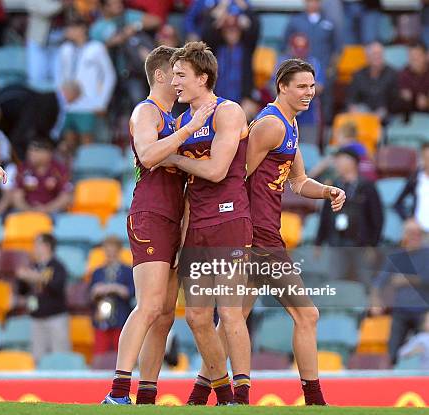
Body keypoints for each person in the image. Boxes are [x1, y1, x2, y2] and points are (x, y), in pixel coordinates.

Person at [103, 45, 216, 405]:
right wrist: (193, 129)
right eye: (178, 74)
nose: (181, 81)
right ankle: (118, 391)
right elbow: (150, 156)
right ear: (162, 76)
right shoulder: (146, 112)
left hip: (172, 219)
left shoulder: (173, 118)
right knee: (149, 306)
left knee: (166, 314)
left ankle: (147, 394)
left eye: (187, 74)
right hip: (150, 213)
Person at [152, 41, 252, 405]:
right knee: (195, 316)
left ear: (202, 78)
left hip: (229, 218)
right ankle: (221, 390)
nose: (174, 82)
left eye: (181, 75)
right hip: (197, 224)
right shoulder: (182, 122)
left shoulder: (228, 112)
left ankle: (242, 395)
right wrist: (181, 237)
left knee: (228, 311)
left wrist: (176, 157)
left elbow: (216, 169)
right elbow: (189, 190)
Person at [243, 59, 346, 406]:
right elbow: (236, 177)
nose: (309, 93)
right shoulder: (270, 125)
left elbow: (298, 181)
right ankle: (315, 401)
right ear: (282, 87)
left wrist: (328, 191)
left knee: (234, 317)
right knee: (307, 314)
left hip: (264, 230)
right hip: (258, 235)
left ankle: (205, 392)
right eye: (301, 86)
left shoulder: (290, 124)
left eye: (312, 86)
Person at [371, 219, 429, 364]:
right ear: (404, 235)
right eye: (411, 233)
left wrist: (406, 279)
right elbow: (378, 282)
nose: (415, 236)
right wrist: (375, 301)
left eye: (418, 233)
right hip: (400, 311)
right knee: (392, 353)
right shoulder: (397, 256)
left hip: (424, 311)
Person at [56, 17, 116, 150]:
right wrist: (61, 98)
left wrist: (102, 102)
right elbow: (60, 75)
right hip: (69, 104)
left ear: (82, 29)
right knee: (68, 142)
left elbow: (109, 75)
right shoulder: (65, 49)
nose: (68, 31)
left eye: (72, 28)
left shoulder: (97, 48)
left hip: (89, 104)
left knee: (87, 142)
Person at [16, 234, 70, 362]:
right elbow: (23, 292)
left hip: (55, 317)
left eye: (38, 245)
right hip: (37, 317)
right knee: (37, 356)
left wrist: (37, 278)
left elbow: (57, 287)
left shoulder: (57, 266)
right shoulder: (34, 266)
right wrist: (22, 279)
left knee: (60, 355)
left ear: (47, 247)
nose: (35, 248)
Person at [316, 148, 382, 248]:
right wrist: (318, 242)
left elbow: (376, 217)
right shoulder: (333, 187)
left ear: (352, 162)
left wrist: (373, 244)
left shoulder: (367, 187)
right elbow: (325, 216)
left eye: (340, 159)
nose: (337, 163)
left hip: (360, 244)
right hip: (335, 243)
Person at [89, 236, 135, 355]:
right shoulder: (98, 272)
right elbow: (91, 294)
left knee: (121, 353)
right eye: (107, 251)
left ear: (118, 251)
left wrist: (115, 288)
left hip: (121, 317)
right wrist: (96, 291)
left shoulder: (127, 271)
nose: (109, 254)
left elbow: (131, 292)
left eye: (112, 251)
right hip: (102, 319)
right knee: (100, 353)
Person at [11, 139, 73, 214]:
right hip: (27, 211)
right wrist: (30, 210)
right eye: (30, 150)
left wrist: (46, 209)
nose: (31, 154)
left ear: (48, 153)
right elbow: (16, 197)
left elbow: (66, 197)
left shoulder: (59, 169)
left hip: (53, 211)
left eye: (36, 150)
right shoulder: (23, 169)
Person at [346, 42, 398, 122]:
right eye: (374, 54)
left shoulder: (392, 74)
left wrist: (384, 111)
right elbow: (351, 98)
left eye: (380, 54)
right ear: (367, 57)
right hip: (363, 114)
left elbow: (395, 100)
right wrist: (353, 109)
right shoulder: (358, 74)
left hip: (386, 116)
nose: (377, 57)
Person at [394, 143, 429, 233]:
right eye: (426, 158)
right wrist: (408, 219)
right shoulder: (415, 178)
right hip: (420, 231)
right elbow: (398, 203)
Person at [397, 42, 429, 116]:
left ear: (426, 56)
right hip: (412, 116)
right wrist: (402, 98)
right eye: (411, 56)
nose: (414, 60)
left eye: (417, 56)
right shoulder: (403, 74)